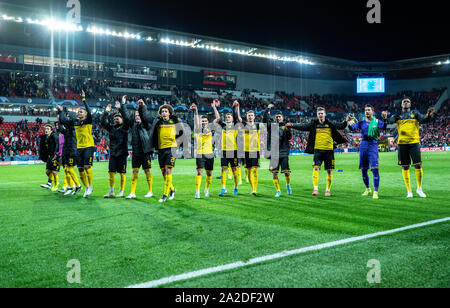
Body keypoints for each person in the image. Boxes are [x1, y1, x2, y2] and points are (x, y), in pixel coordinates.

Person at [286, 107, 348, 197]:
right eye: (319, 113)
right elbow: (303, 126)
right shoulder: (314, 124)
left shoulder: (330, 124)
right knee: (315, 168)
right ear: (317, 115)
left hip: (329, 150)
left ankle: (328, 190)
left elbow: (341, 126)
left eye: (322, 113)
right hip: (318, 150)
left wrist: (346, 121)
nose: (320, 115)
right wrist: (292, 125)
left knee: (329, 171)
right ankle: (315, 189)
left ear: (325, 114)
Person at [139, 101, 185, 203]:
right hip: (160, 150)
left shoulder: (175, 122)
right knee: (163, 172)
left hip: (171, 149)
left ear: (169, 113)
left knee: (168, 170)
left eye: (166, 111)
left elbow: (183, 133)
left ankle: (165, 194)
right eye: (162, 111)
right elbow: (146, 117)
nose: (164, 113)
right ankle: (172, 189)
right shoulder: (157, 121)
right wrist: (143, 107)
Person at [389, 97, 435, 198]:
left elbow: (424, 120)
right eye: (404, 102)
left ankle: (419, 189)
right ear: (401, 105)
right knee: (405, 166)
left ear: (410, 104)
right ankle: (409, 191)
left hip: (414, 142)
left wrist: (428, 115)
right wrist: (386, 118)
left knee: (418, 165)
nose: (406, 103)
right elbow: (390, 120)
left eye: (408, 101)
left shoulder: (415, 113)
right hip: (402, 144)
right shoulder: (397, 115)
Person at [56, 90, 95, 198]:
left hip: (88, 146)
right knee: (80, 169)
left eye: (81, 112)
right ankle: (86, 187)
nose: (79, 113)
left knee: (87, 167)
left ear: (85, 114)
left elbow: (89, 111)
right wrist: (61, 111)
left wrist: (83, 99)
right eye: (78, 112)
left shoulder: (88, 121)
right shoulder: (75, 122)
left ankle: (90, 186)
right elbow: (63, 120)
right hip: (79, 148)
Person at [348, 105, 388, 199]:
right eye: (365, 110)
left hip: (373, 146)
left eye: (369, 110)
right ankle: (368, 188)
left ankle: (375, 191)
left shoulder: (377, 121)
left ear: (372, 112)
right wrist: (349, 121)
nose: (367, 112)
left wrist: (385, 119)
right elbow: (352, 128)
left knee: (375, 169)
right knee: (364, 170)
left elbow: (384, 127)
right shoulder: (361, 122)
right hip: (363, 146)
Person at [118, 96, 154, 200]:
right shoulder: (132, 124)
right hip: (136, 153)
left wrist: (142, 108)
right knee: (134, 172)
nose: (137, 117)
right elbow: (125, 115)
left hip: (145, 152)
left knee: (147, 171)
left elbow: (145, 115)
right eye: (136, 115)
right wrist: (123, 104)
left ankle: (150, 191)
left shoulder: (146, 125)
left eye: (139, 115)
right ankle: (132, 192)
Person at [235, 102, 266, 196]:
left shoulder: (257, 125)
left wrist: (262, 141)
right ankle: (252, 187)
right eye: (249, 115)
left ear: (254, 117)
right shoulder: (244, 125)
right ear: (247, 116)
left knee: (255, 170)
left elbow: (265, 126)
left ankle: (254, 189)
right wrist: (238, 107)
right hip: (246, 151)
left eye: (252, 115)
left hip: (255, 150)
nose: (250, 117)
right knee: (248, 170)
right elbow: (238, 118)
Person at [190, 101, 219, 199]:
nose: (204, 123)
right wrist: (196, 111)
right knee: (199, 172)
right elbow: (196, 121)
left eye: (205, 121)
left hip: (210, 154)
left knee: (209, 173)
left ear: (208, 122)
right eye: (202, 121)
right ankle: (197, 192)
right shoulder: (197, 129)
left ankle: (206, 189)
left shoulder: (210, 129)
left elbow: (218, 118)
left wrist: (214, 107)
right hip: (200, 154)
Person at [101, 101, 129, 198]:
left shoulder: (125, 127)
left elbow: (127, 118)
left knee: (122, 173)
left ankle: (121, 191)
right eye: (115, 118)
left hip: (122, 154)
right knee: (111, 172)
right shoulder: (111, 128)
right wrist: (106, 112)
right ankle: (111, 191)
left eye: (118, 118)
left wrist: (121, 108)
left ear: (122, 119)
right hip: (113, 153)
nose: (116, 119)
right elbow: (103, 123)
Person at [265, 104, 293, 197]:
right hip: (274, 153)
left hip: (284, 153)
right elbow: (265, 120)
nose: (277, 118)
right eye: (276, 117)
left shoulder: (285, 127)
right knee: (274, 173)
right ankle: (278, 191)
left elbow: (289, 137)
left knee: (286, 173)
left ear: (282, 118)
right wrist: (267, 109)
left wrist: (288, 130)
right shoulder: (272, 126)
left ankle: (288, 185)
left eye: (279, 117)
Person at [216, 100, 241, 197]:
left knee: (234, 170)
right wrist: (215, 107)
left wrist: (235, 107)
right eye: (226, 117)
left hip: (233, 151)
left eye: (229, 117)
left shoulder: (235, 126)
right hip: (224, 151)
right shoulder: (223, 126)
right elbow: (218, 119)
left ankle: (235, 187)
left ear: (232, 118)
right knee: (223, 169)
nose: (227, 118)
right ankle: (223, 188)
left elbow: (237, 118)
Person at [57, 113, 82, 196]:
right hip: (66, 151)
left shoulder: (73, 128)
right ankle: (71, 186)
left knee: (70, 169)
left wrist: (61, 115)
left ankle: (78, 185)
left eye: (68, 117)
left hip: (72, 151)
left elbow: (66, 123)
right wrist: (59, 120)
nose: (66, 119)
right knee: (66, 170)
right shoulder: (67, 129)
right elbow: (61, 128)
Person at [39, 124, 60, 192]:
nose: (46, 130)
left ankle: (56, 185)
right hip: (49, 156)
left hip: (55, 156)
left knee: (54, 172)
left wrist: (56, 154)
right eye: (45, 129)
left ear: (51, 130)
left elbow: (57, 145)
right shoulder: (46, 138)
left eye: (48, 129)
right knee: (47, 172)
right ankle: (49, 183)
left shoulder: (54, 136)